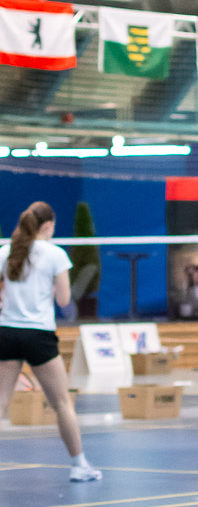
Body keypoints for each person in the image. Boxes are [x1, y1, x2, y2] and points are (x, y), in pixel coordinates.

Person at [0, 201, 101, 482]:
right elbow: (65, 300)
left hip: (7, 333)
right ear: (47, 225)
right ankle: (79, 465)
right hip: (39, 336)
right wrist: (53, 288)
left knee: (1, 402)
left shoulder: (5, 251)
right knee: (62, 403)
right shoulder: (56, 255)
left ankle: (81, 464)